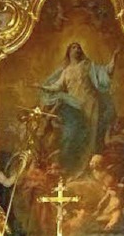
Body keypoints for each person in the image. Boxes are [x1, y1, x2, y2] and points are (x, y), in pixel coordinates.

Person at [41, 42, 118, 173]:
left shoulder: (88, 66)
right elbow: (57, 86)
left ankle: (87, 168)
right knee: (74, 133)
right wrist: (42, 87)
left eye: (78, 48)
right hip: (73, 105)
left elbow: (106, 72)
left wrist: (114, 57)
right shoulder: (65, 71)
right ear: (69, 52)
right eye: (73, 47)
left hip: (90, 103)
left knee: (90, 134)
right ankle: (74, 165)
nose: (76, 50)